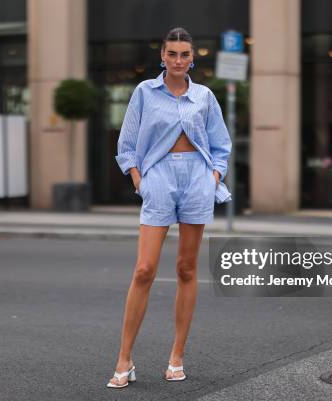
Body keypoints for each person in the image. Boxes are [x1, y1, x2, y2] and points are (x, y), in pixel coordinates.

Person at [107, 27, 232, 389]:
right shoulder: (145, 92)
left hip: (196, 177)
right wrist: (137, 179)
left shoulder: (204, 96)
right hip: (158, 177)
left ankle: (176, 356)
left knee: (186, 269)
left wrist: (212, 177)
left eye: (185, 54)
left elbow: (220, 145)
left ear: (193, 58)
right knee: (144, 269)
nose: (178, 60)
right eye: (172, 54)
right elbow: (127, 142)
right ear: (162, 56)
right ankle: (124, 358)